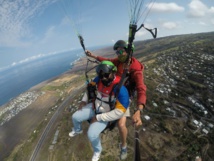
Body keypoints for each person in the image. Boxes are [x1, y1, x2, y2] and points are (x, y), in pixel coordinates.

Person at [86, 40, 146, 160]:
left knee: (121, 124)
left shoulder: (135, 69)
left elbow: (141, 89)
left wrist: (139, 110)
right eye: (117, 51)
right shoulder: (118, 61)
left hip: (124, 95)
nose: (118, 54)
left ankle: (123, 146)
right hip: (113, 90)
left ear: (129, 51)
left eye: (121, 51)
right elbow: (106, 60)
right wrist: (93, 55)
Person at [69, 60, 129, 161]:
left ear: (113, 73)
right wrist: (83, 101)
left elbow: (120, 112)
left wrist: (98, 117)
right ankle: (78, 130)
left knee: (91, 134)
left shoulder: (120, 88)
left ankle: (97, 151)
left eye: (106, 74)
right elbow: (90, 89)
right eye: (101, 75)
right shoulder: (99, 80)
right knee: (75, 117)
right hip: (94, 107)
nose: (103, 78)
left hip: (105, 114)